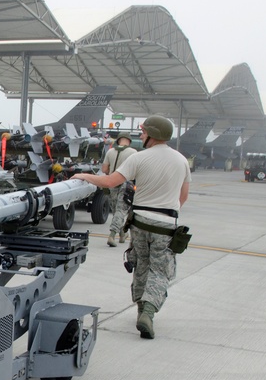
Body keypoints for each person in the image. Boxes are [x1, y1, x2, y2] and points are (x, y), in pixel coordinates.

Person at [71, 115, 190, 339]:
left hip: (139, 222)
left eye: (144, 132)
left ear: (153, 135)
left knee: (141, 265)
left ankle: (140, 310)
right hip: (165, 224)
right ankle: (148, 311)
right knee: (160, 270)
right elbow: (183, 196)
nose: (141, 135)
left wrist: (84, 175)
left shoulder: (140, 158)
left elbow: (109, 181)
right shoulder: (181, 161)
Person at [101, 132, 138, 247]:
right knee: (121, 210)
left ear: (118, 140)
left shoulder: (110, 151)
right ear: (129, 141)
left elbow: (104, 169)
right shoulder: (133, 153)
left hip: (112, 183)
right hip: (126, 184)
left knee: (116, 210)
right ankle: (112, 235)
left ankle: (122, 234)